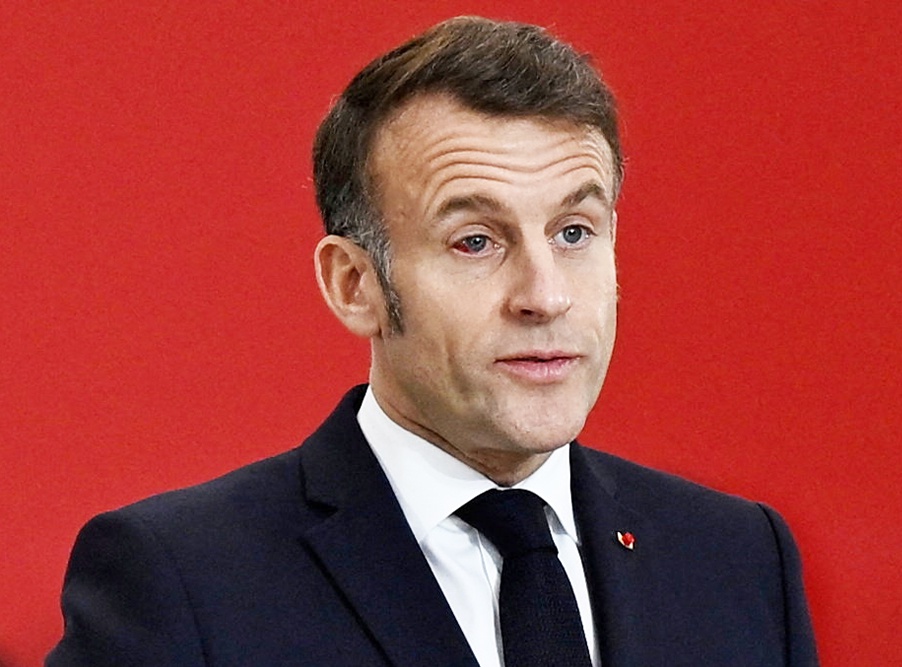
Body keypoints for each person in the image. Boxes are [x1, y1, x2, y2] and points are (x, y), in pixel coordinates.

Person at [48, 16, 818, 666]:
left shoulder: (739, 558)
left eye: (574, 232)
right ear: (355, 284)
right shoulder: (180, 583)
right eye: (476, 241)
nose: (546, 295)